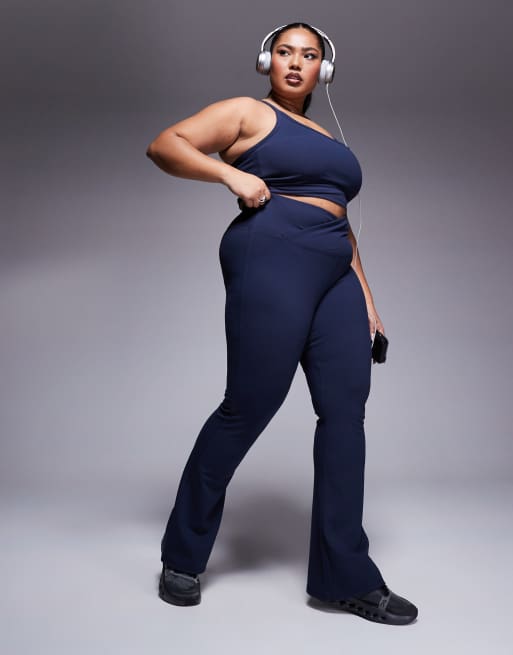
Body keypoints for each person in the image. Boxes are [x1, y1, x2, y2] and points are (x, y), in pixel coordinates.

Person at [146, 22, 418, 625]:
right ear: (268, 60)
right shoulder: (248, 112)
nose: (296, 62)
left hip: (335, 269)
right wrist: (230, 174)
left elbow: (340, 219)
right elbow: (166, 144)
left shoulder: (327, 135)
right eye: (285, 52)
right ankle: (182, 556)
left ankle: (345, 578)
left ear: (323, 69)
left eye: (309, 55)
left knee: (346, 412)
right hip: (272, 251)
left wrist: (367, 298)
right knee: (249, 404)